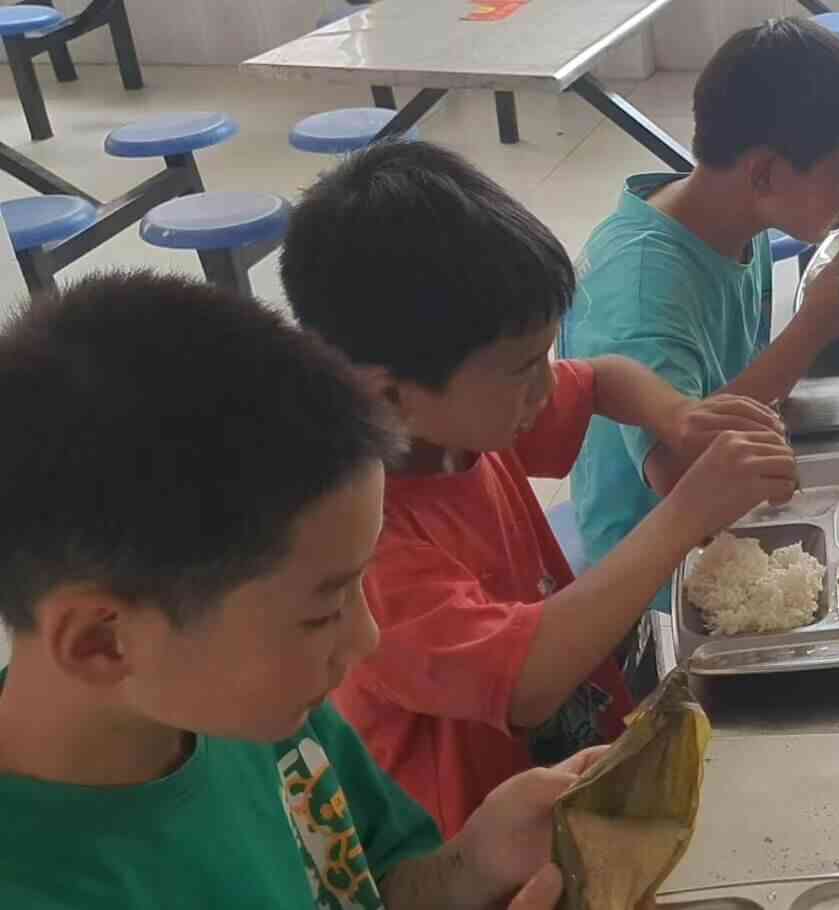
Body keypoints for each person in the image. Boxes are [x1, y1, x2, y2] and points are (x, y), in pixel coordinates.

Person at [0, 271, 582, 909]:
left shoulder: (258, 711)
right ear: (101, 641)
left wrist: (477, 862)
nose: (365, 638)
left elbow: (378, 886)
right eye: (322, 612)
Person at [280, 141, 798, 836]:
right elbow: (526, 683)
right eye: (524, 368)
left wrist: (679, 416)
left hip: (572, 770)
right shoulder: (367, 556)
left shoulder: (458, 423)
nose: (547, 386)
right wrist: (685, 514)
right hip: (481, 843)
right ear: (388, 393)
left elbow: (604, 377)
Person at [561, 16, 839, 606]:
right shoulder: (642, 289)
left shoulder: (734, 220)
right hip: (652, 573)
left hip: (724, 509)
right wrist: (813, 327)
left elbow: (730, 401)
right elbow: (678, 474)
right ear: (763, 172)